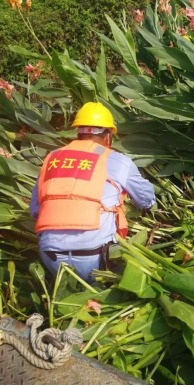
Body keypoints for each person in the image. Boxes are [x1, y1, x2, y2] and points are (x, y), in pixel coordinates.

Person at [30, 102, 155, 283]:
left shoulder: (53, 157)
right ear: (108, 136)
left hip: (51, 256)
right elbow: (145, 200)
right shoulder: (117, 160)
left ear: (79, 132)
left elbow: (35, 209)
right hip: (95, 258)